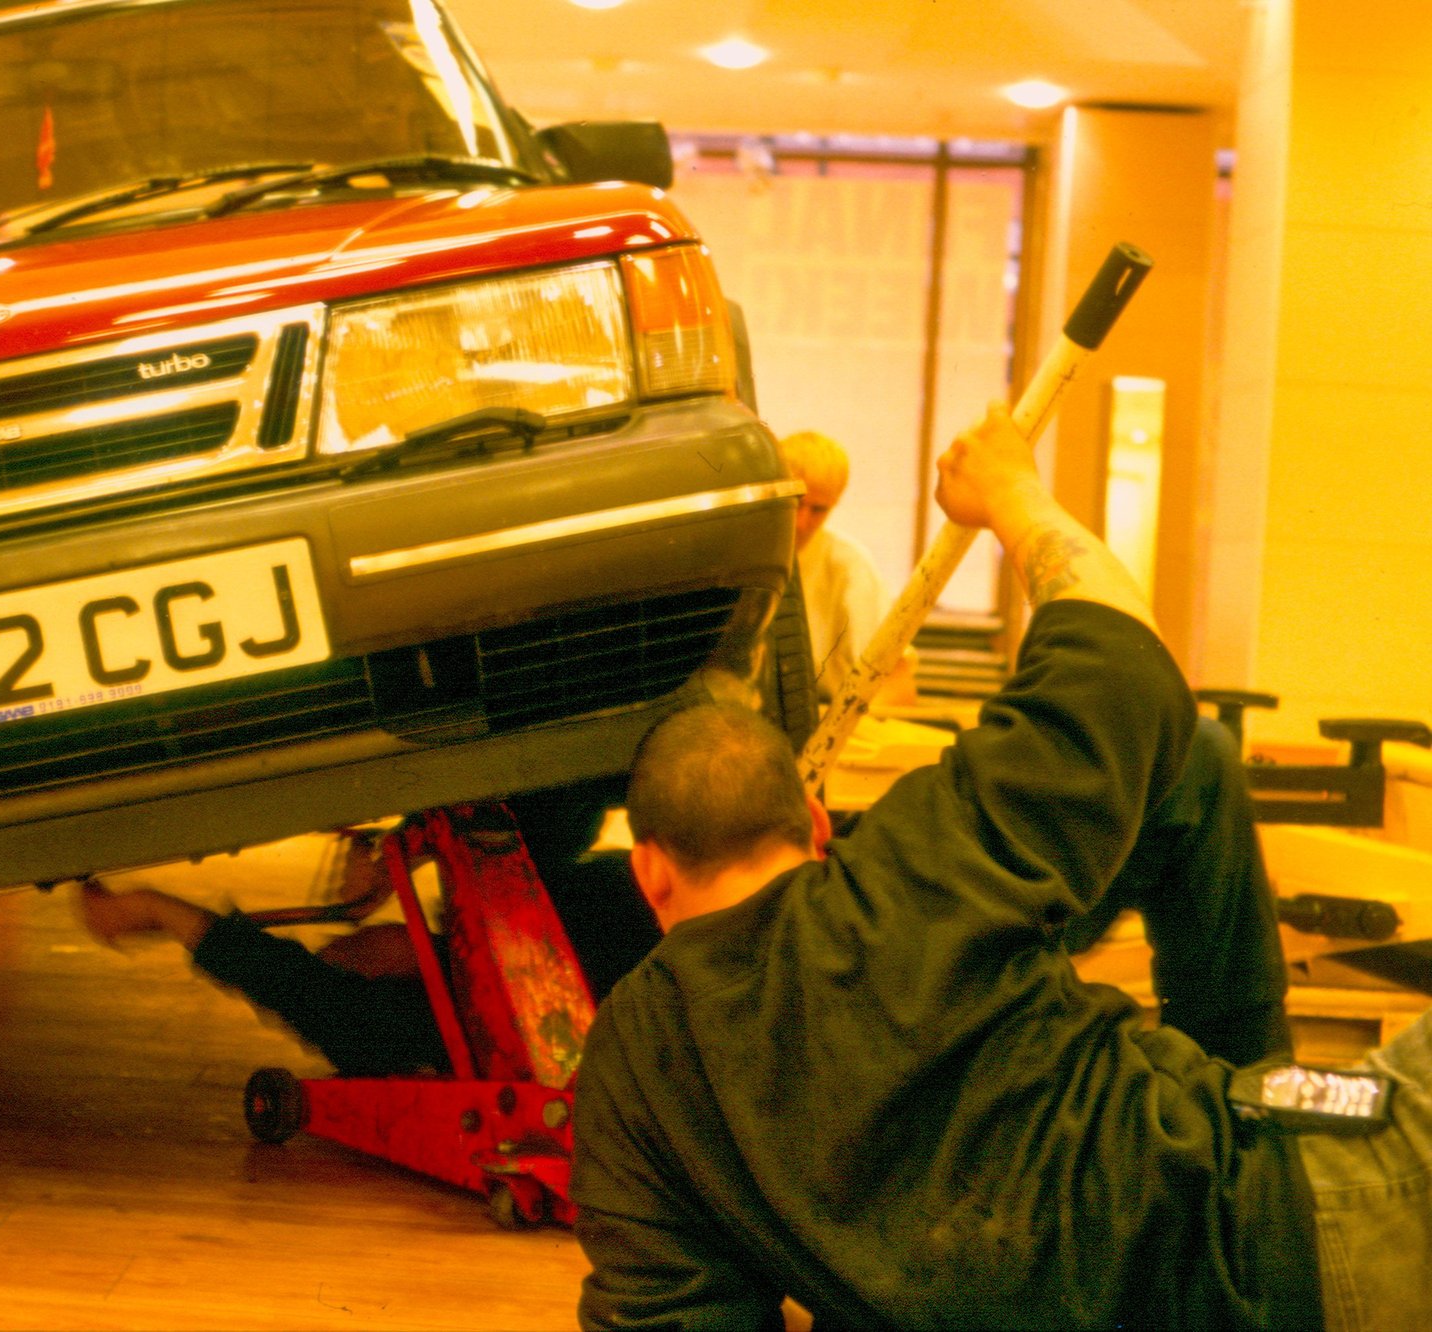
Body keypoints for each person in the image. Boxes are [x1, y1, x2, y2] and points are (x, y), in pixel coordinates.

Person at [571, 402, 1431, 1330]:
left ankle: (1244, 1077)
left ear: (648, 871)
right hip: (1289, 1239)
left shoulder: (633, 1070)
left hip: (1264, 1227)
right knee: (1200, 754)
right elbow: (1125, 661)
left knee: (1202, 767)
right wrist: (1010, 493)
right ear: (818, 826)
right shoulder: (914, 870)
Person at [73, 820, 659, 1078]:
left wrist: (159, 911)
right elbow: (291, 983)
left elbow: (290, 982)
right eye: (346, 950)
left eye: (344, 948)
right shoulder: (413, 1021)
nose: (344, 944)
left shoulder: (392, 1021)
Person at [775, 429, 914, 708]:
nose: (802, 523)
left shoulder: (850, 568)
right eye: (796, 504)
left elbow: (897, 682)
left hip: (826, 716)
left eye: (818, 510)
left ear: (835, 503)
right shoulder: (740, 557)